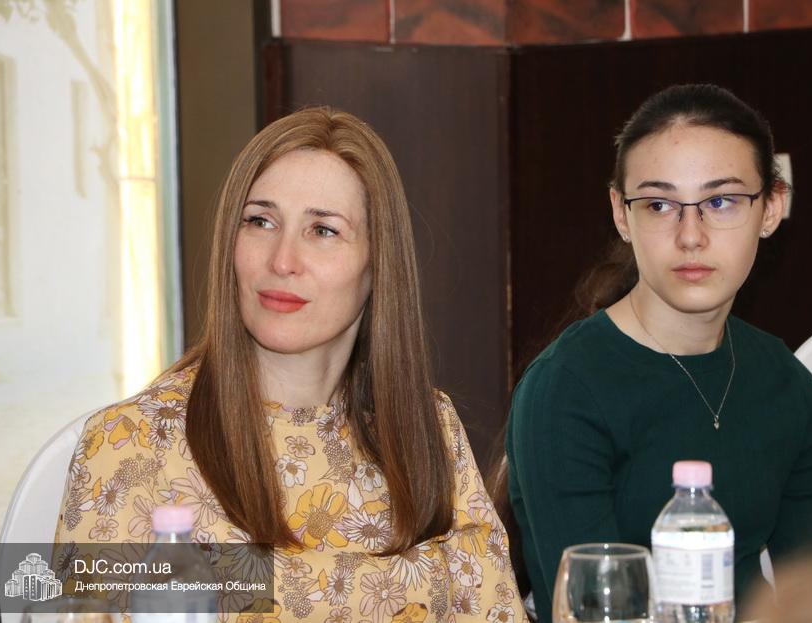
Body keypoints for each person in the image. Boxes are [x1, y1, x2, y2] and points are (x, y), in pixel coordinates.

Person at [55, 107, 525, 621]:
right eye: (260, 221)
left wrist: (232, 581)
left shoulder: (428, 425)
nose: (282, 260)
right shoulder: (128, 445)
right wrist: (431, 578)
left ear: (378, 264)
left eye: (323, 230)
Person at [504, 84, 812, 622]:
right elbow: (590, 613)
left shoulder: (787, 384)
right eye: (660, 205)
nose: (691, 236)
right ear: (621, 214)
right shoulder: (566, 389)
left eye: (720, 201)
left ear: (771, 207)